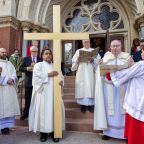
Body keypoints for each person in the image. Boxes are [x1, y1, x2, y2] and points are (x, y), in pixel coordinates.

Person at [94, 39, 133, 140]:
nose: (115, 48)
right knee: (109, 109)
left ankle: (125, 134)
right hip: (109, 87)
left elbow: (133, 71)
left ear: (121, 47)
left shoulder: (127, 57)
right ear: (110, 48)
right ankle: (108, 133)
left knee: (123, 110)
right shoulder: (106, 58)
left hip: (123, 88)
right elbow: (99, 74)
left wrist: (131, 65)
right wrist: (100, 66)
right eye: (113, 46)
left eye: (117, 46)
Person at [107, 41, 144, 144]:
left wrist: (108, 73)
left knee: (137, 129)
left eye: (142, 51)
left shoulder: (141, 64)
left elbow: (126, 74)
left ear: (121, 46)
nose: (141, 53)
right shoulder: (139, 64)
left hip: (138, 99)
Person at [29, 48, 65, 142]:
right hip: (43, 93)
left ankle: (55, 133)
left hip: (55, 94)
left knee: (55, 112)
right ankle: (43, 133)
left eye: (50, 53)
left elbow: (61, 76)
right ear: (42, 55)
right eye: (46, 53)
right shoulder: (38, 65)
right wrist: (49, 74)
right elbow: (36, 78)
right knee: (44, 113)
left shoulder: (56, 66)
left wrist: (62, 82)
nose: (48, 55)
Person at [71, 39, 101, 113]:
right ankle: (83, 106)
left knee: (91, 87)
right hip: (82, 72)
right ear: (82, 43)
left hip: (91, 72)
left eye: (87, 42)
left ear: (90, 43)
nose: (86, 43)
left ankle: (91, 106)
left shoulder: (94, 51)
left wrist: (93, 60)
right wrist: (78, 60)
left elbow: (99, 63)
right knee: (82, 88)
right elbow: (74, 63)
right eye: (85, 42)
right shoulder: (78, 51)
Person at [0, 48, 20, 135]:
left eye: (5, 52)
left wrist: (12, 79)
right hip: (2, 89)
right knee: (2, 108)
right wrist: (5, 80)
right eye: (2, 52)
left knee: (8, 107)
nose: (4, 53)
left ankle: (7, 126)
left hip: (10, 89)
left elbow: (14, 72)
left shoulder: (9, 63)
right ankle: (3, 128)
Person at [20, 46, 42, 120]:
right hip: (29, 82)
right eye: (33, 51)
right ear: (30, 51)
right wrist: (27, 68)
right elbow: (20, 68)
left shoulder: (40, 59)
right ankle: (26, 113)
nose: (34, 53)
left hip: (38, 83)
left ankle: (37, 113)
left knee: (38, 99)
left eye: (36, 51)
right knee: (27, 98)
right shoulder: (26, 59)